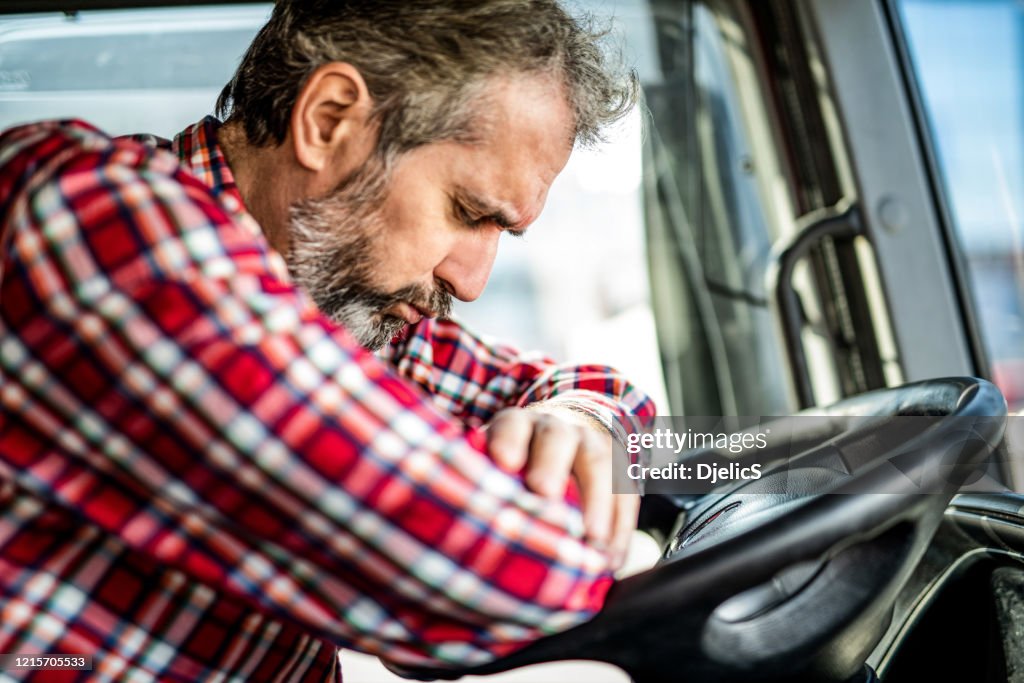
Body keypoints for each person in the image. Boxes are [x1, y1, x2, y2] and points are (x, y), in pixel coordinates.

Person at [0, 1, 654, 680]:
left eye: (501, 233)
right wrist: (586, 497)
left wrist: (576, 421)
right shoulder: (96, 217)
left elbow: (615, 398)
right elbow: (507, 576)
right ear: (329, 119)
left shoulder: (339, 300)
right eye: (467, 212)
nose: (471, 284)